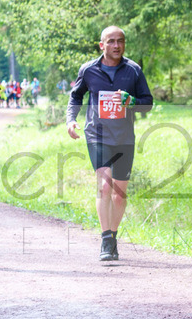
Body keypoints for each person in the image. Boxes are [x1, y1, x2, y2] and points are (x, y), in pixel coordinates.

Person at [66, 25, 153, 261]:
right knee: (105, 186)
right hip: (97, 135)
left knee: (119, 194)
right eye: (111, 41)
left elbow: (147, 103)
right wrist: (71, 120)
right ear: (101, 45)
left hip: (124, 138)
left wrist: (131, 101)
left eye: (120, 41)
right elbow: (75, 96)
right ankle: (105, 239)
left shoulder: (133, 70)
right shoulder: (89, 70)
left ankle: (113, 235)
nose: (116, 45)